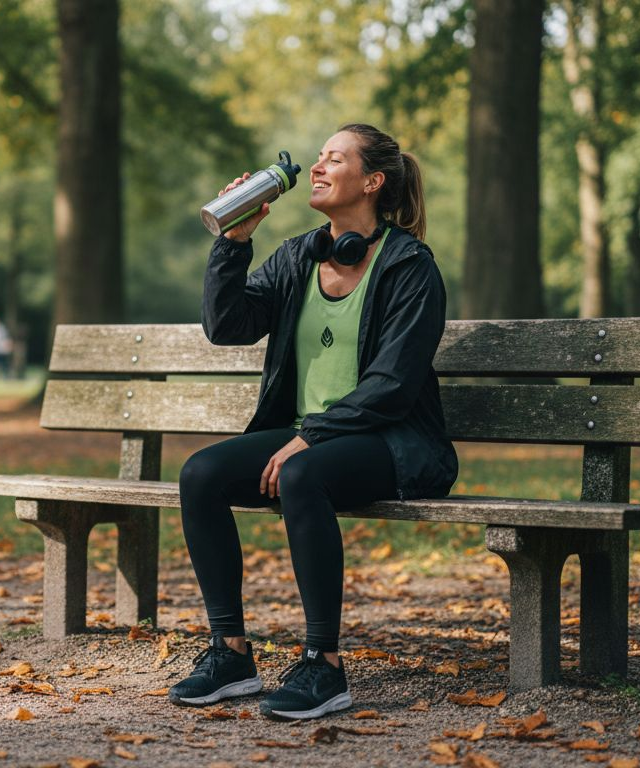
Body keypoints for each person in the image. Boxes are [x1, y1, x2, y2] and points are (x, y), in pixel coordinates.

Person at [168, 124, 458, 721]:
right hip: (316, 438)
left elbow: (393, 386)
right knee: (201, 474)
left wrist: (309, 438)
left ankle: (323, 665)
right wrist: (234, 243)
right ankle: (230, 653)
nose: (318, 167)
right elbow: (229, 326)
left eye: (334, 158)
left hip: (395, 442)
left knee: (302, 474)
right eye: (319, 157)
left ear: (373, 182)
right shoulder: (300, 255)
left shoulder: (409, 266)